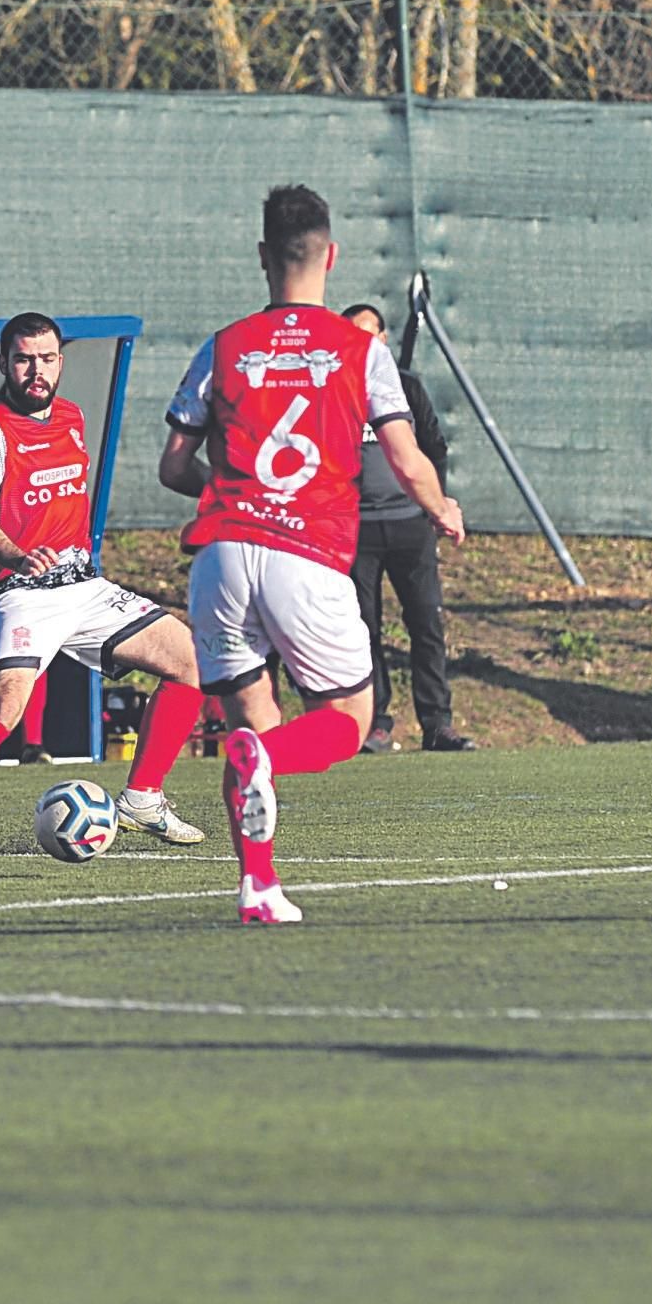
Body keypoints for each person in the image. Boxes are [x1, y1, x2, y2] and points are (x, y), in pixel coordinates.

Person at [158, 184, 464, 925]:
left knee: (251, 724)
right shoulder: (360, 350)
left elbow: (173, 465)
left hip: (224, 553)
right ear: (331, 257)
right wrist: (440, 507)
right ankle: (264, 783)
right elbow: (406, 457)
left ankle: (258, 886)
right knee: (348, 717)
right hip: (304, 551)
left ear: (263, 256)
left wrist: (233, 493)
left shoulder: (224, 346)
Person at [0, 313, 209, 862]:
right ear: (4, 364)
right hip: (22, 592)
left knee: (190, 659)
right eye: (23, 360)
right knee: (4, 706)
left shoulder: (71, 417)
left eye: (46, 359)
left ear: (60, 362)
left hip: (83, 588)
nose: (36, 371)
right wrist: (17, 557)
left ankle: (142, 797)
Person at [338, 302, 473, 755]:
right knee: (364, 629)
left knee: (425, 623)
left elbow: (433, 448)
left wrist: (437, 505)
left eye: (368, 335)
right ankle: (375, 724)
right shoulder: (332, 388)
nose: (360, 344)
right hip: (355, 531)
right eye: (350, 335)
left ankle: (437, 724)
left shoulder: (405, 386)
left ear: (383, 340)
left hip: (409, 526)